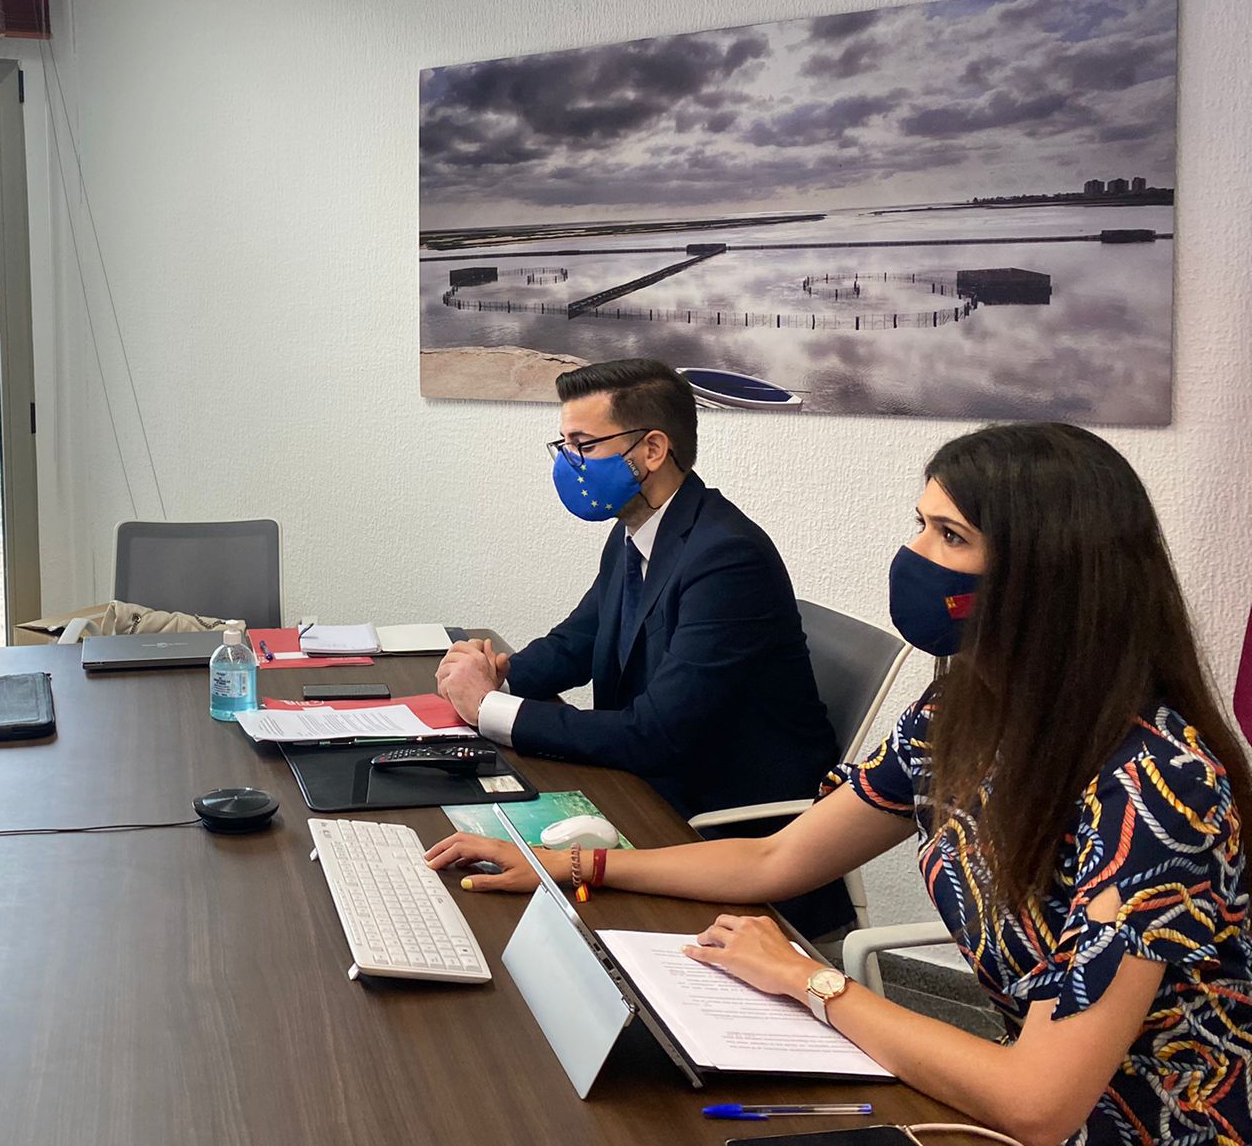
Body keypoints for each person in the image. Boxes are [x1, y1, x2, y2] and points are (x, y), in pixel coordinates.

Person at [428, 422, 1252, 1146]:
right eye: (919, 524)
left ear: (1049, 575)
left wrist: (808, 979)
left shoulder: (1157, 788)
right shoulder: (961, 710)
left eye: (951, 536)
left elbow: (1040, 1103)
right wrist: (568, 866)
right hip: (1012, 1101)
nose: (914, 556)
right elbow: (776, 862)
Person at [436, 357, 840, 822]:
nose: (571, 463)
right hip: (645, 784)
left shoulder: (727, 558)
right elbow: (575, 644)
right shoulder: (636, 528)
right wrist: (493, 675)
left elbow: (655, 733)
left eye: (584, 445)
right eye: (564, 445)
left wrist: (489, 708)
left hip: (719, 820)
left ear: (652, 450)